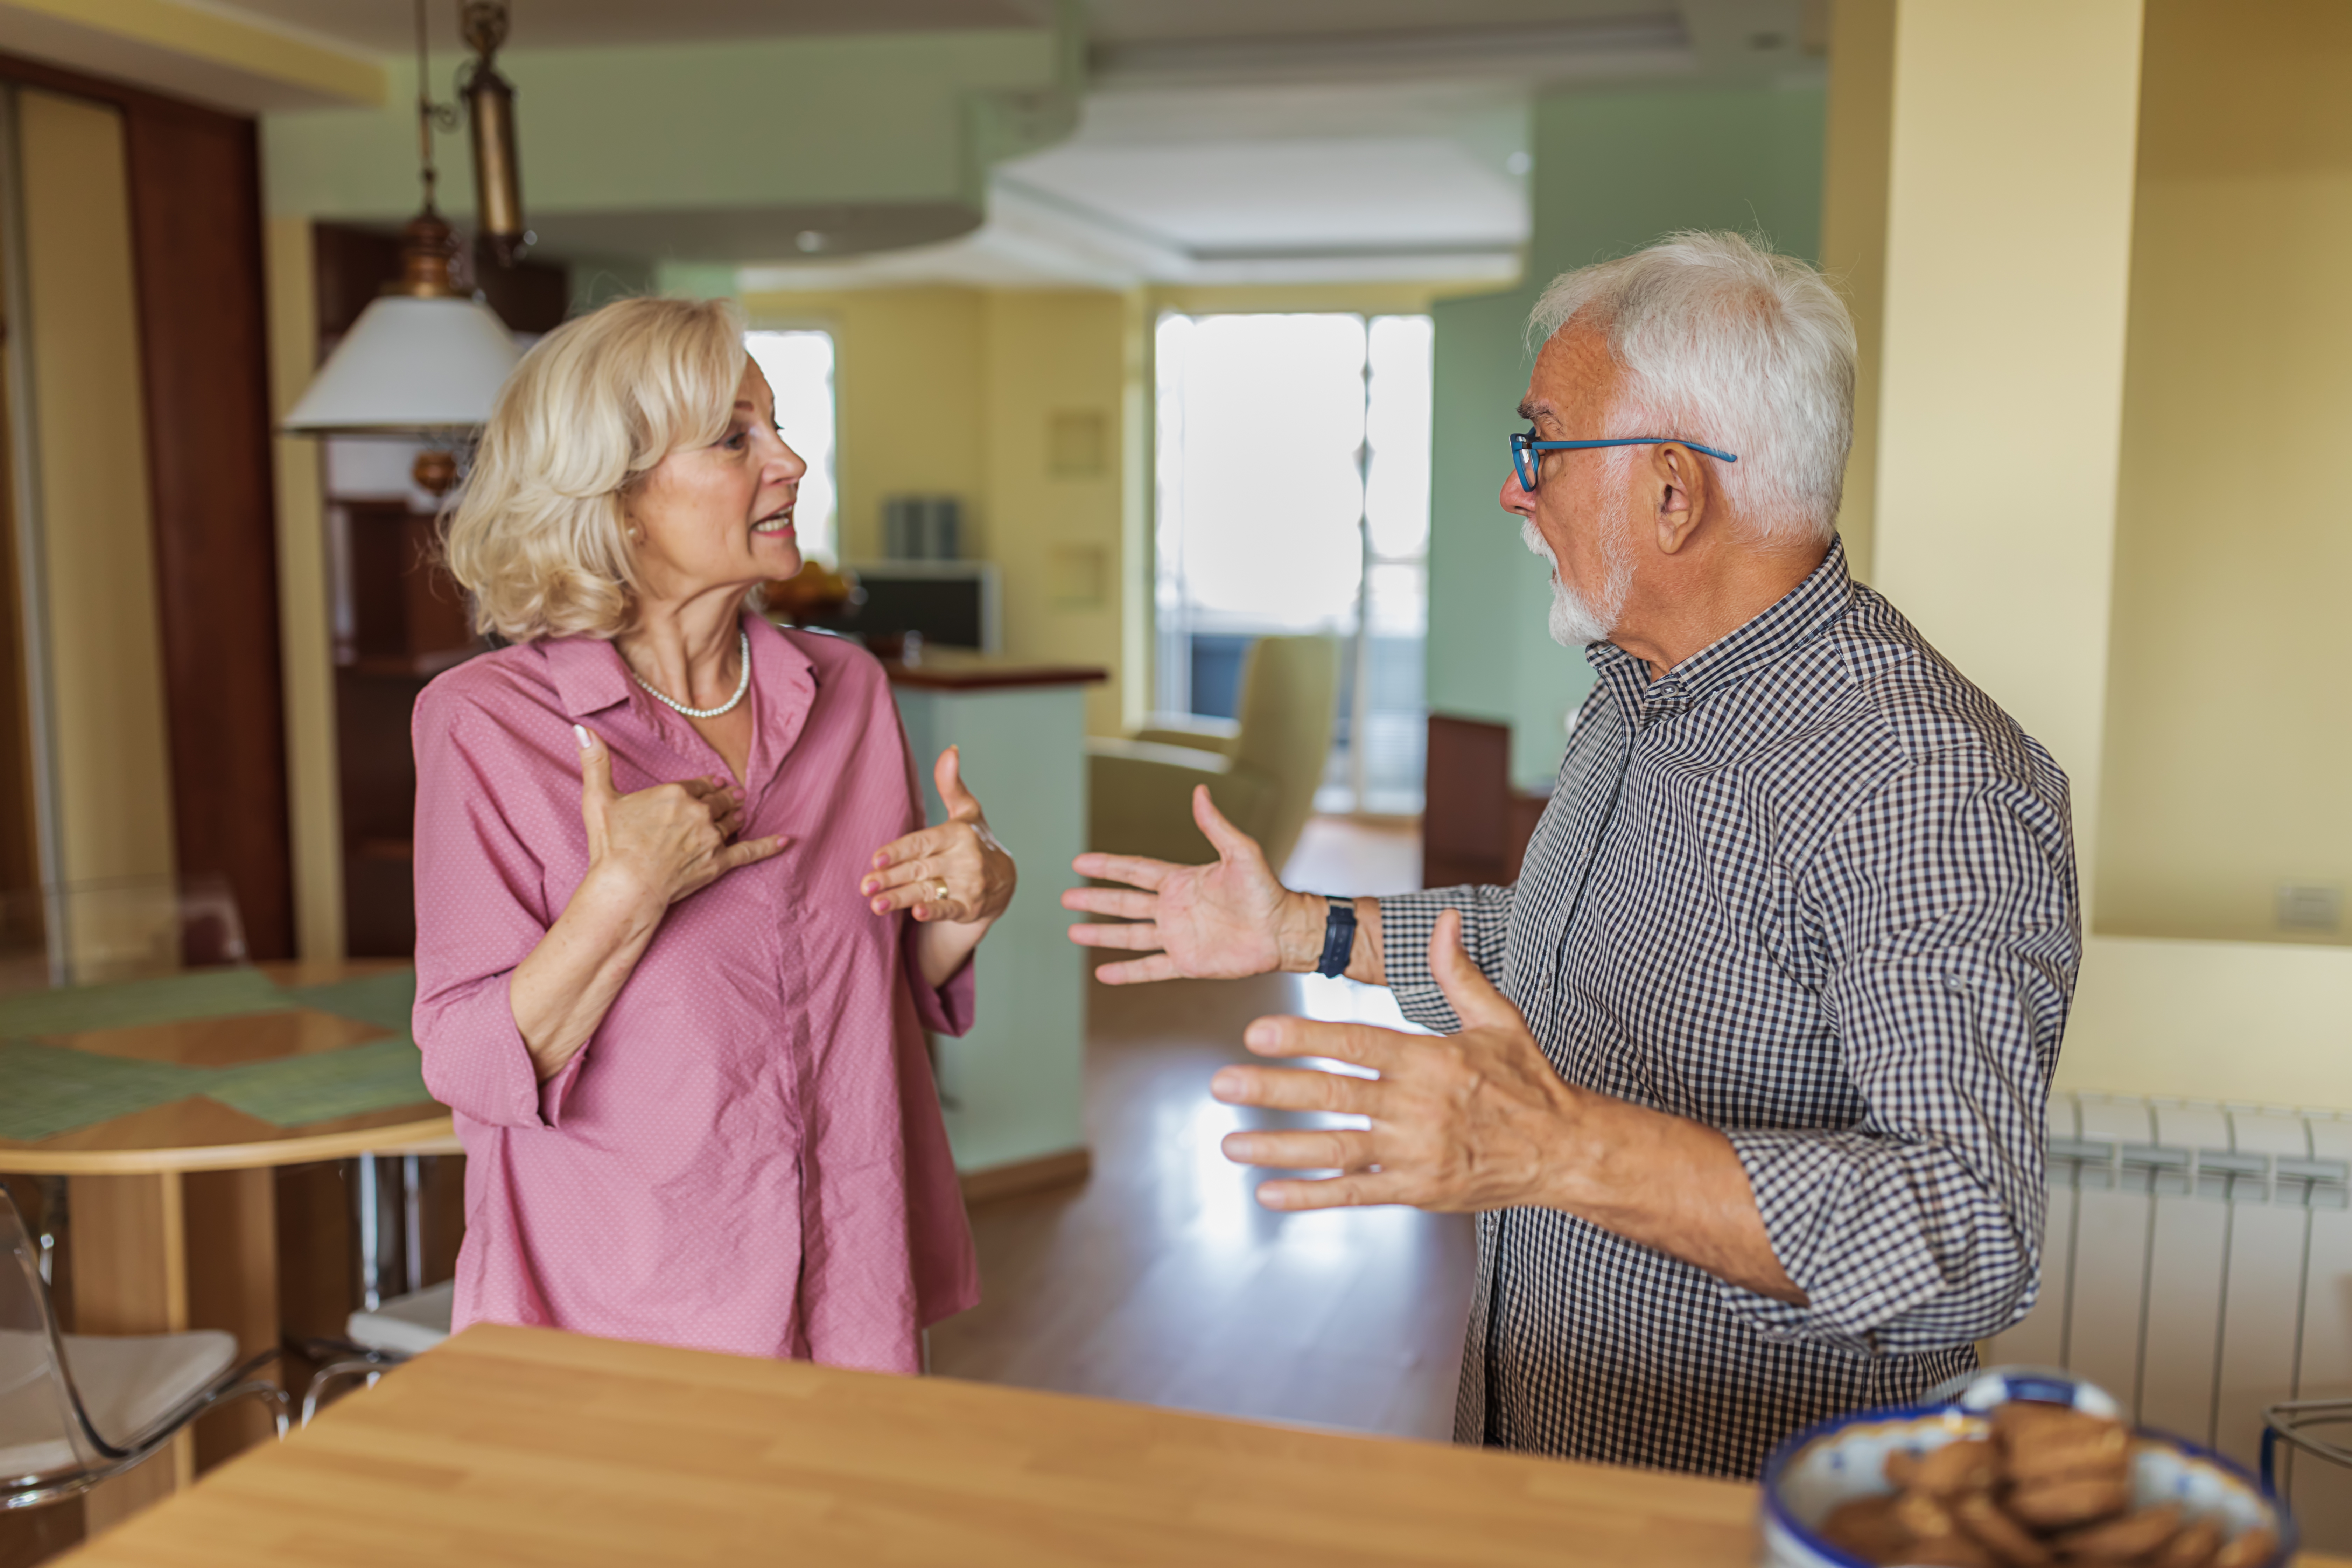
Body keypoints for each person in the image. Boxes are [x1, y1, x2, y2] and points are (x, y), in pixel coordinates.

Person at [1066, 231, 2077, 1477]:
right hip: (1538, 1443)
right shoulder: (1632, 691)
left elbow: (1964, 1232)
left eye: (1538, 443)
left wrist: (1561, 1151)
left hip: (1734, 1508)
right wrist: (1304, 931)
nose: (1514, 488)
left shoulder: (1924, 781)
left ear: (1673, 492)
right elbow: (1552, 958)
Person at [414, 296, 1015, 1372]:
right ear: (621, 496)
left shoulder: (849, 692)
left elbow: (865, 986)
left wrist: (964, 905)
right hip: (620, 1306)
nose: (789, 461)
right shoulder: (489, 723)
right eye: (737, 437)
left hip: (847, 1275)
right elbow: (465, 1060)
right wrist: (624, 894)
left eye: (777, 427)